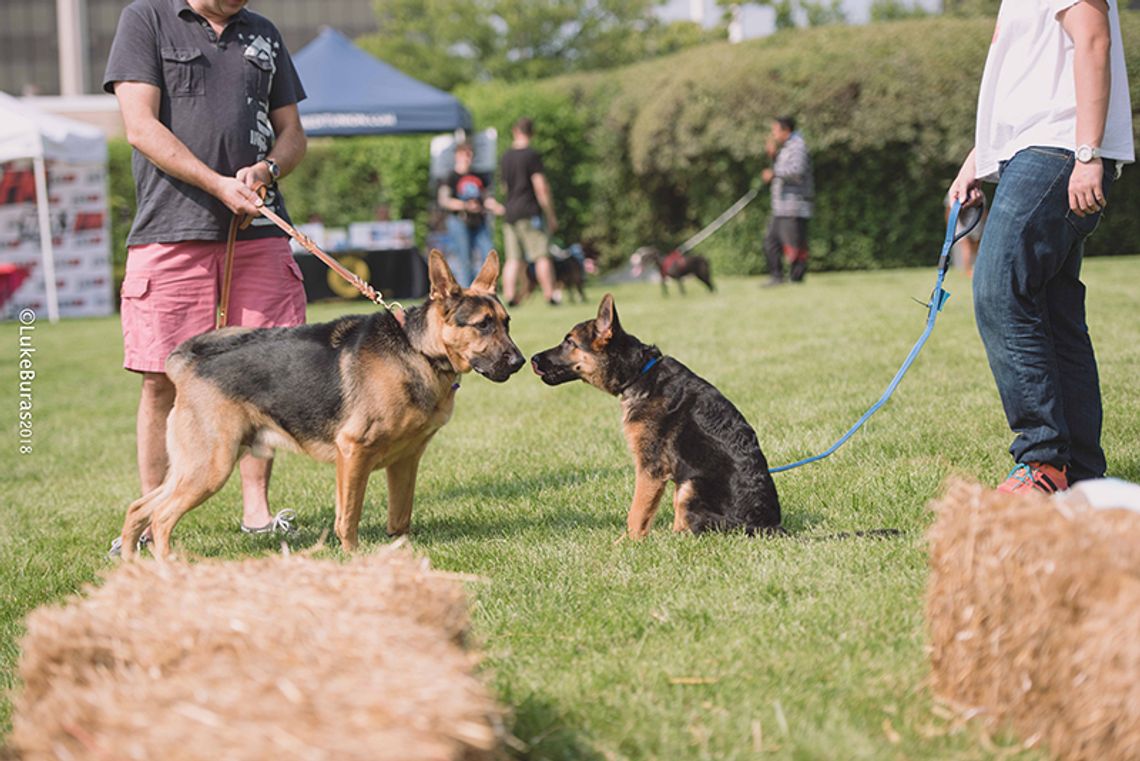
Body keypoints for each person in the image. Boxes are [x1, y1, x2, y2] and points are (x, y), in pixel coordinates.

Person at [104, 0, 308, 549]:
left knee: (266, 373)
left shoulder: (262, 31)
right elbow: (140, 126)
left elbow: (292, 133)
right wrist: (217, 183)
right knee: (159, 378)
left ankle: (258, 513)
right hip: (171, 228)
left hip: (261, 233)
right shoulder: (145, 19)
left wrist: (269, 168)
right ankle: (148, 520)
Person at [949, 0, 1133, 494]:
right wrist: (978, 159)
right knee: (1054, 310)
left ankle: (1043, 460)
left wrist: (1088, 154)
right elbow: (1026, 83)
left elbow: (1094, 41)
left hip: (1059, 149)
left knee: (998, 288)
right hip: (1032, 148)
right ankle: (1079, 472)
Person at [499, 117, 558, 306]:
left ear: (515, 131)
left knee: (512, 259)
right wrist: (550, 214)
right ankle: (550, 295)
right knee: (541, 255)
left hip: (510, 213)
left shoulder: (505, 156)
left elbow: (504, 188)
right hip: (529, 211)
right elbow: (540, 186)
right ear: (532, 133)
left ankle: (509, 297)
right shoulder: (532, 155)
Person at [438, 142, 504, 287]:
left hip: (479, 221)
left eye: (469, 154)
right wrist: (465, 206)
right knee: (464, 260)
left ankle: (486, 289)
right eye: (464, 154)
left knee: (488, 254)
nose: (467, 158)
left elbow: (487, 198)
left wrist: (497, 207)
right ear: (457, 155)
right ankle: (467, 292)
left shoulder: (479, 176)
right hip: (459, 220)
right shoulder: (450, 176)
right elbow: (444, 200)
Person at [761, 116, 814, 286]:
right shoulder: (786, 147)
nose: (773, 134)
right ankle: (777, 277)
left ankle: (797, 278)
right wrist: (774, 155)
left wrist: (774, 174)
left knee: (794, 244)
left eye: (775, 130)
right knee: (771, 241)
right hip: (781, 206)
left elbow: (797, 170)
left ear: (786, 130)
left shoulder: (798, 146)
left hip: (794, 205)